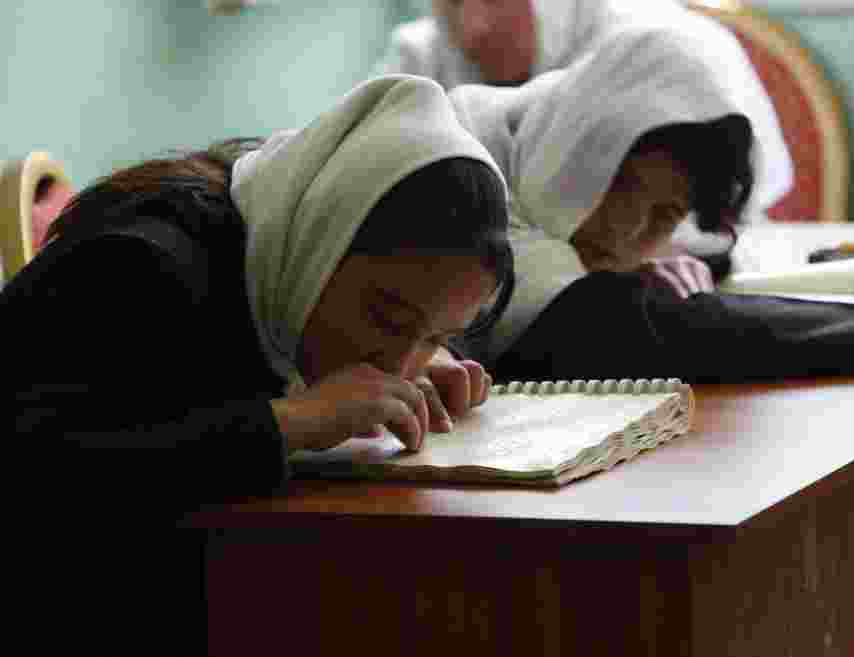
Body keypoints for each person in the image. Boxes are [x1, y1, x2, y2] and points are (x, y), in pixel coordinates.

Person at [2, 75, 513, 656]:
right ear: (320, 241)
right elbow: (43, 475)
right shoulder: (140, 268)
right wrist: (288, 421)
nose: (398, 363)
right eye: (387, 318)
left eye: (437, 332)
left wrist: (434, 354)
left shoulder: (278, 248)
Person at [446, 26, 854, 384]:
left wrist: (640, 271)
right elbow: (615, 330)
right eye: (620, 191)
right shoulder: (466, 167)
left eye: (664, 215)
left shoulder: (537, 146)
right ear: (580, 147)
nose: (626, 234)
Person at [375, 0, 793, 214]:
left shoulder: (666, 47)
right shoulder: (419, 56)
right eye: (453, 2)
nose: (474, 27)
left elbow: (710, 218)